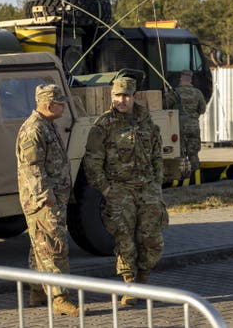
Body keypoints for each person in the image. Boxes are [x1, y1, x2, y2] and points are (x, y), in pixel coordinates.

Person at [83, 76, 168, 306]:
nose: (122, 100)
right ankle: (130, 285)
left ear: (134, 96)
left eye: (126, 96)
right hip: (119, 190)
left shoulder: (146, 121)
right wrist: (107, 189)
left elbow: (157, 155)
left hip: (147, 188)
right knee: (125, 239)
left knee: (152, 239)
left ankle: (143, 279)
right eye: (118, 96)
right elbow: (92, 162)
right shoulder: (103, 126)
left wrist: (157, 183)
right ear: (112, 96)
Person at [15, 83, 80, 317]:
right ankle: (60, 297)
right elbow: (32, 168)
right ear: (49, 105)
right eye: (61, 104)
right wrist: (46, 196)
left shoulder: (46, 125)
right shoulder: (34, 130)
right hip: (44, 201)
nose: (64, 108)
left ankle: (38, 292)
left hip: (52, 198)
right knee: (54, 247)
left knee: (40, 245)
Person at [176, 70, 207, 171]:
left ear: (181, 78)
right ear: (191, 79)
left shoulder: (175, 92)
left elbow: (166, 107)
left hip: (180, 126)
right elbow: (202, 110)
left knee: (180, 154)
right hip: (194, 127)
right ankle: (195, 176)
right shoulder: (198, 93)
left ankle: (181, 176)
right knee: (193, 154)